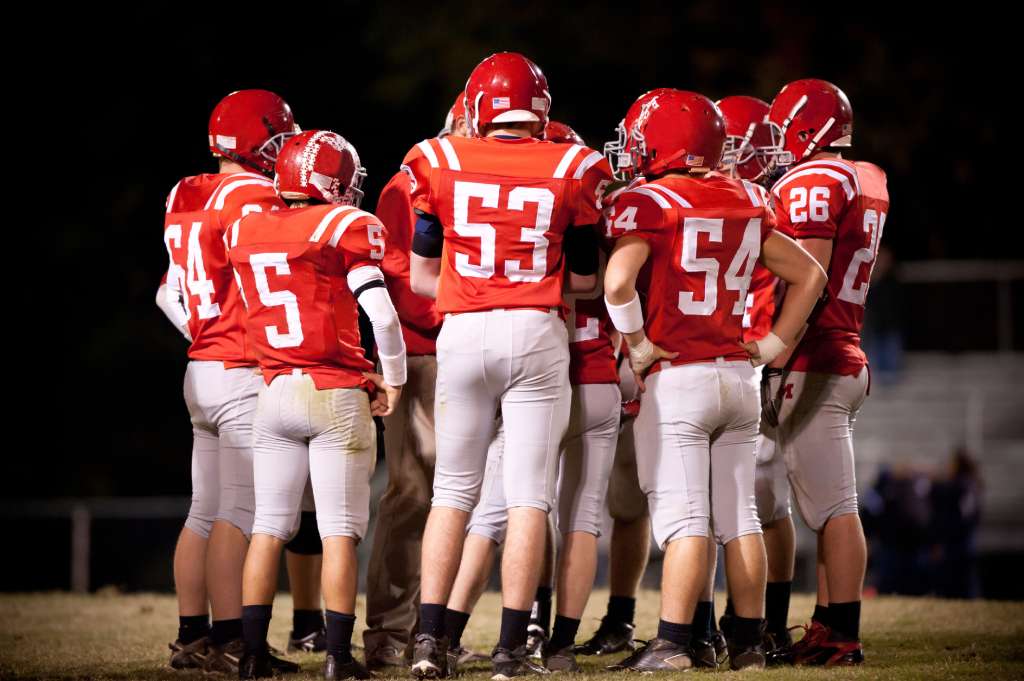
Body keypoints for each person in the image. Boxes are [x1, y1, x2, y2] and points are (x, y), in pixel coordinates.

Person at [602, 89, 827, 672]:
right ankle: (748, 643)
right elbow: (810, 274)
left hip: (681, 376)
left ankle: (675, 642)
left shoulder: (651, 201)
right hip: (738, 376)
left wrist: (638, 344)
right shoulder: (749, 197)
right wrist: (774, 343)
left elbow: (617, 284)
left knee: (684, 520)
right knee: (739, 517)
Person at [405, 52, 611, 679]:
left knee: (453, 492)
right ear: (540, 110)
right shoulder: (574, 165)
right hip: (535, 331)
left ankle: (427, 641)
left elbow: (420, 275)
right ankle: (510, 649)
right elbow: (583, 277)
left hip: (463, 332)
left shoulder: (437, 160)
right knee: (528, 499)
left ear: (476, 107)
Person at [228, 130, 406, 679]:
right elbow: (382, 315)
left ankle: (252, 654)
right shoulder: (344, 225)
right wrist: (393, 378)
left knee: (268, 527)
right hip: (334, 393)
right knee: (338, 532)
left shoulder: (247, 227)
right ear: (335, 181)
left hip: (274, 391)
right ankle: (336, 656)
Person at [160, 89, 324, 673]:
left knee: (203, 510)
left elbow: (166, 292)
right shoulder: (256, 195)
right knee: (240, 511)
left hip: (200, 367)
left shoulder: (185, 191)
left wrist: (204, 331)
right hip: (238, 369)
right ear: (260, 142)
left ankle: (191, 635)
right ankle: (232, 638)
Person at [764, 78, 890, 667]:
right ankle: (828, 623)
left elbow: (807, 272)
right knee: (827, 504)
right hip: (841, 350)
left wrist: (776, 345)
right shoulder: (865, 177)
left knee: (835, 508)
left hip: (815, 357)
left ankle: (840, 633)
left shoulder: (815, 179)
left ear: (805, 127)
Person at [361, 93, 463, 673]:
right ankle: (388, 631)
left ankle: (439, 632)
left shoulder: (477, 178)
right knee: (411, 495)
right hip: (423, 353)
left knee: (465, 501)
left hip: (472, 353)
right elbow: (399, 272)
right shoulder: (409, 184)